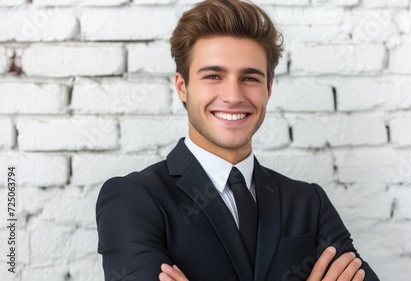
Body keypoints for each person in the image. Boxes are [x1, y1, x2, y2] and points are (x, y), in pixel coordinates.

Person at [96, 0, 380, 280]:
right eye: (213, 76)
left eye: (249, 79)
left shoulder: (308, 202)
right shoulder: (133, 199)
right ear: (183, 87)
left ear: (268, 88)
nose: (233, 96)